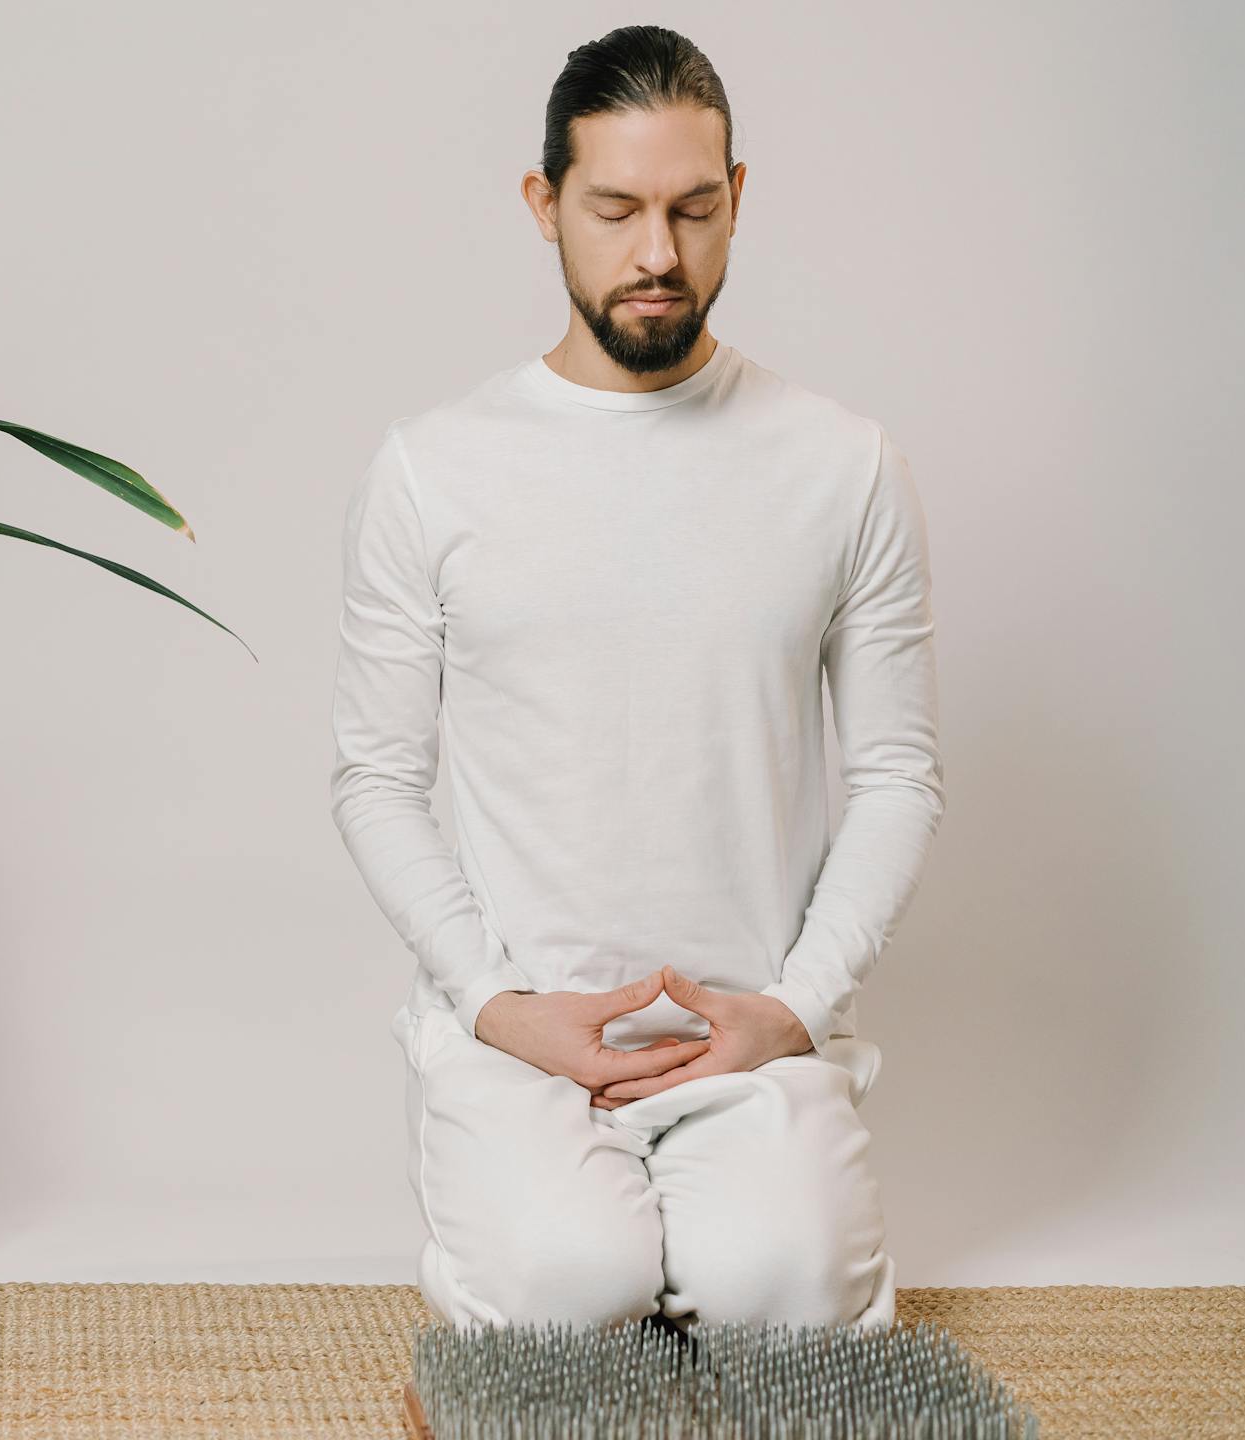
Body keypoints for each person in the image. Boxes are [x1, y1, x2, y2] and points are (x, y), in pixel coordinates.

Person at [327, 25, 945, 1336]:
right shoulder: (432, 469)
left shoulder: (844, 466)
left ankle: (715, 1243)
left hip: (751, 1037)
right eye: (615, 210)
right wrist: (496, 1005)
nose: (658, 254)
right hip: (525, 1040)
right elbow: (375, 779)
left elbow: (897, 775)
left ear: (737, 199)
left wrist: (795, 1009)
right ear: (544, 202)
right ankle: (591, 1245)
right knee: (564, 1299)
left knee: (789, 1313)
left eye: (692, 209)